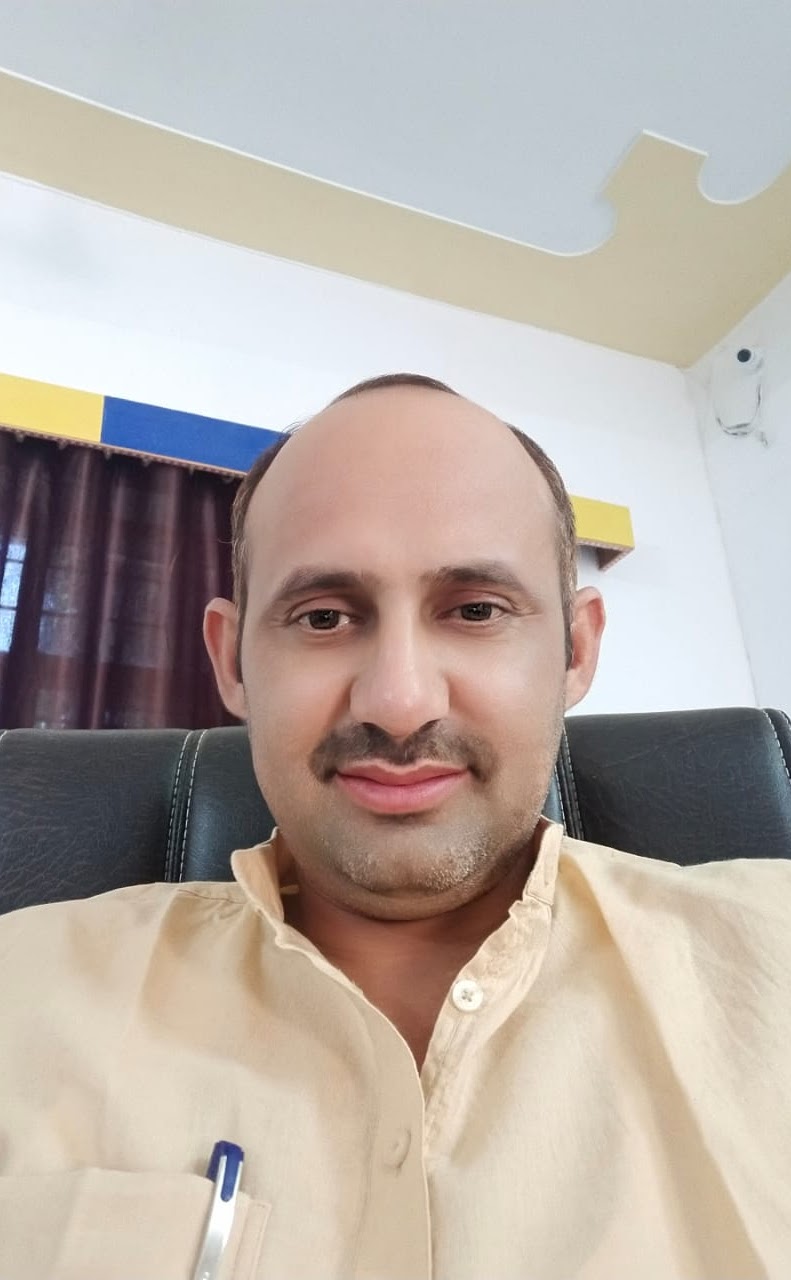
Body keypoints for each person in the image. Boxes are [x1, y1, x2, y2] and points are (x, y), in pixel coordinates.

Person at [0, 372, 788, 1280]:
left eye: (476, 610)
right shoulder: (21, 986)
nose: (400, 702)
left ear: (576, 649)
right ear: (232, 663)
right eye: (324, 616)